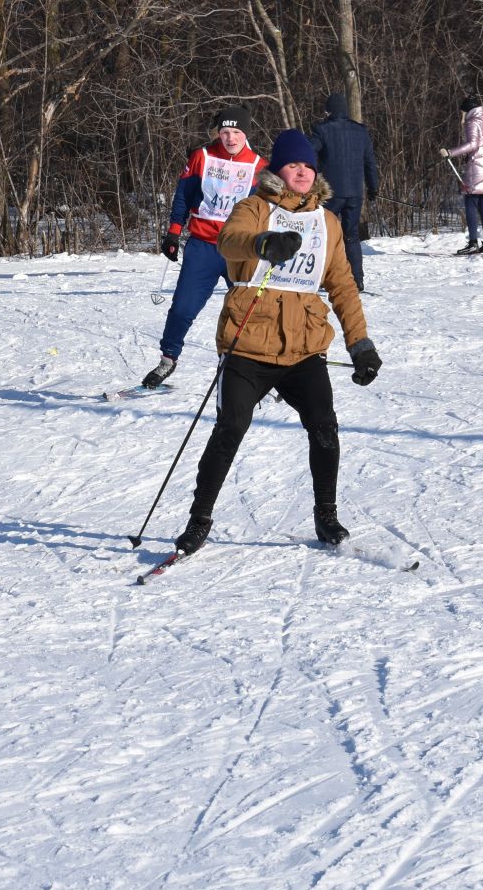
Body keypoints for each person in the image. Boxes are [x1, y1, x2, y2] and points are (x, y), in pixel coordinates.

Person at [170, 129, 381, 555]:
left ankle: (326, 515)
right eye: (292, 165)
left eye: (307, 166)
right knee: (231, 427)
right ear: (277, 171)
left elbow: (341, 285)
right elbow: (229, 241)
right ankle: (199, 520)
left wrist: (360, 345)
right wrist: (261, 242)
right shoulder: (255, 207)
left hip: (303, 347)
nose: (301, 172)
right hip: (249, 343)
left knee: (324, 426)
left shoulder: (328, 221)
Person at [142, 106, 266, 389]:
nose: (230, 138)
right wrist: (173, 233)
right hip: (204, 246)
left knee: (252, 310)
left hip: (241, 249)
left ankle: (259, 365)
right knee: (183, 307)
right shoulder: (203, 157)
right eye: (225, 132)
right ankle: (167, 360)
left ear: (245, 134)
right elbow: (183, 195)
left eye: (236, 132)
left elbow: (269, 209)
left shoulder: (260, 166)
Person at [307, 91, 379, 290]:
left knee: (326, 235)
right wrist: (373, 187)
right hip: (355, 193)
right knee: (352, 236)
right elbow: (370, 163)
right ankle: (357, 280)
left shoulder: (322, 130)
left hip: (331, 192)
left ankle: (323, 278)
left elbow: (309, 152)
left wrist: (312, 175)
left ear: (328, 110)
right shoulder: (361, 131)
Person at [444, 97, 483, 255]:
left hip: (477, 167)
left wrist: (450, 152)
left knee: (470, 202)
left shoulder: (472, 122)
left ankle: (473, 242)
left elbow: (472, 144)